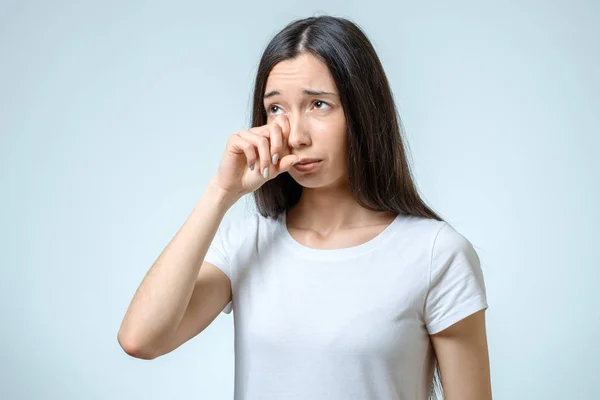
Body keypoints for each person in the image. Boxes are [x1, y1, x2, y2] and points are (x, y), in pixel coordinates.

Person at [118, 15, 492, 400]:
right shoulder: (248, 243)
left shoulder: (435, 254)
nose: (295, 135)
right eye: (276, 109)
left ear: (363, 111)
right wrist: (220, 192)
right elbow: (140, 339)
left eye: (318, 104)